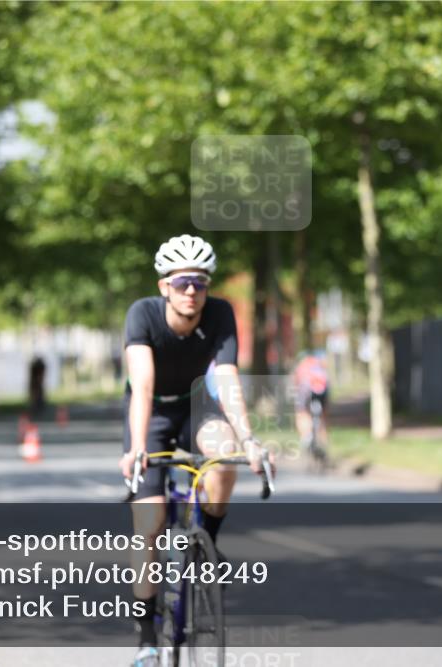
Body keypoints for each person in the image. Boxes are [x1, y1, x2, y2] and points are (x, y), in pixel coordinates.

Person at [119, 234, 273, 667]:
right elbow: (142, 386)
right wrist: (135, 448)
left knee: (223, 458)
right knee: (148, 522)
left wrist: (250, 441)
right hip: (151, 413)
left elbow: (226, 380)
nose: (192, 291)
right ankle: (147, 636)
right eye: (183, 282)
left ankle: (208, 546)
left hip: (195, 408)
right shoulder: (143, 315)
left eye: (201, 283)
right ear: (164, 285)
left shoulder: (220, 313)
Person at [293, 350, 330, 454]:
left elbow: (296, 382)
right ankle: (325, 441)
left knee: (301, 412)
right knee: (323, 415)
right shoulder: (320, 364)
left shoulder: (302, 365)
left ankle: (306, 436)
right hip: (323, 390)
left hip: (307, 391)